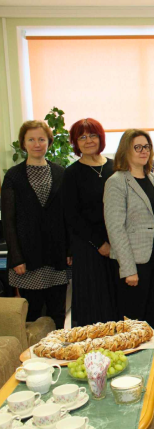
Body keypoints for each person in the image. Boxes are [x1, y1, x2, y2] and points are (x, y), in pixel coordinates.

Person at [104, 129, 154, 328]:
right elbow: (115, 229)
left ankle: (151, 347)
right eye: (137, 147)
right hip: (136, 263)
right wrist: (128, 269)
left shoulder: (153, 179)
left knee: (152, 315)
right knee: (133, 320)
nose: (144, 151)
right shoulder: (116, 182)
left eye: (146, 146)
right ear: (125, 150)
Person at [1, 120, 71, 329]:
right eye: (31, 139)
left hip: (56, 256)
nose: (37, 144)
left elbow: (67, 217)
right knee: (32, 316)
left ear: (49, 142)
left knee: (58, 313)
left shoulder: (60, 173)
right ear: (23, 143)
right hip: (27, 259)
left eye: (41, 139)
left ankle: (58, 348)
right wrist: (16, 257)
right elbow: (8, 221)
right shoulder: (13, 176)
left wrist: (69, 250)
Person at [63, 118, 117, 327]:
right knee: (93, 303)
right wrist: (99, 244)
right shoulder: (71, 174)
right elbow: (72, 216)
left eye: (93, 135)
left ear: (100, 137)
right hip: (88, 247)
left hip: (117, 243)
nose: (88, 141)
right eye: (82, 137)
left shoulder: (115, 167)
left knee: (116, 300)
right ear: (76, 143)